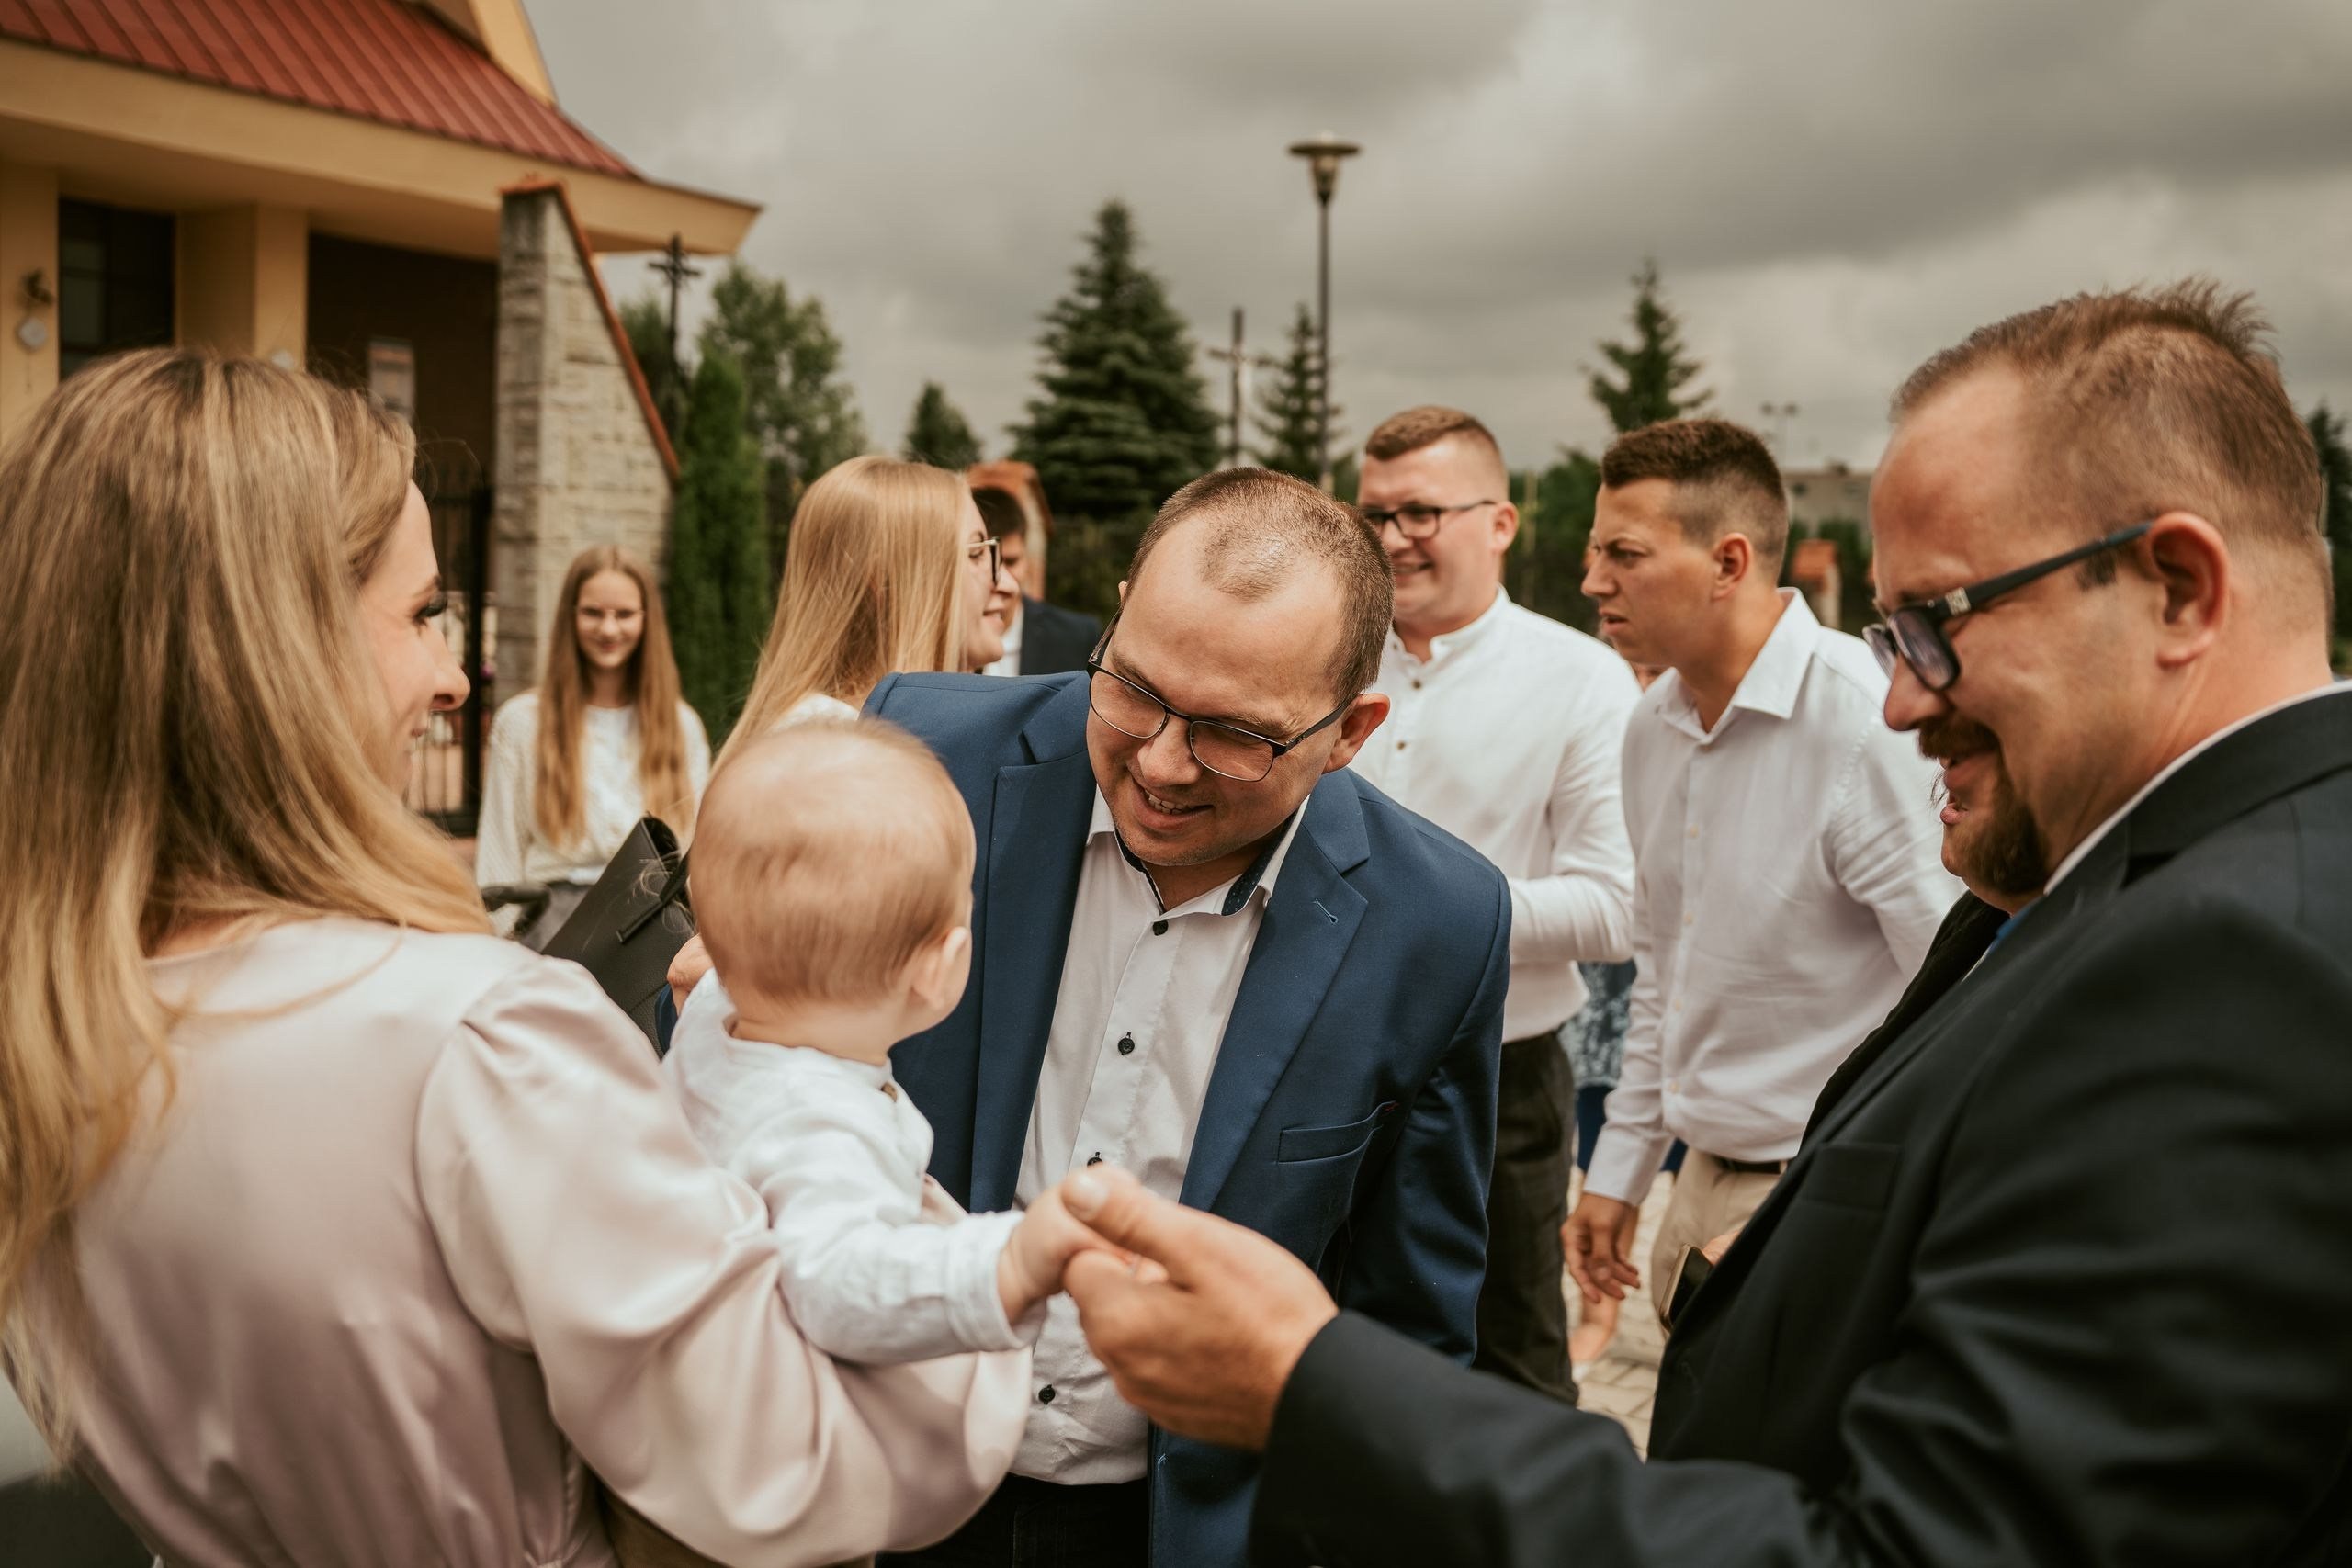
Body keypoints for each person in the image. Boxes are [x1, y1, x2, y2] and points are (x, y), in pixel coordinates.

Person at [1052, 280, 2352, 1567]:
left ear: (2178, 587)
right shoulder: (2157, 884)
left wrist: (1309, 1381)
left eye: (1934, 627)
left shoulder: (2241, 965)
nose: (1899, 702)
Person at [0, 349, 1030, 1567]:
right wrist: (906, 1190)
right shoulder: (476, 1040)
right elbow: (801, 1460)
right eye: (425, 612)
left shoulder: (54, 1025)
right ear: (274, 642)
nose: (451, 675)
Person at [854, 467, 1510, 1567]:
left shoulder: (1436, 922)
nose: (1159, 762)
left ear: (1350, 730)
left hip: (1181, 1531)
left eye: (1232, 735)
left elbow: (1409, 1333)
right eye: (1135, 692)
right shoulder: (924, 755)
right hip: (880, 1485)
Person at [1566, 418, 1957, 1330]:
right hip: (1693, 1186)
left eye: (1624, 553)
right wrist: (1622, 1173)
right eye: (1594, 551)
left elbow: (1956, 999)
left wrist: (1834, 1203)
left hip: (1829, 1197)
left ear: (1729, 561)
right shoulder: (1650, 724)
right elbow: (1660, 973)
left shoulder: (1867, 723)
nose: (1592, 582)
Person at [1348, 405, 1636, 1404]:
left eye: (1419, 511)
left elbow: (1614, 907)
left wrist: (1426, 915)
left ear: (1500, 523)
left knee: (1511, 1355)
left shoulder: (1583, 681)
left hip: (1498, 1079)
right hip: (1323, 1060)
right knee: (1330, 1345)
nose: (1391, 539)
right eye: (1374, 512)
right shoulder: (1328, 662)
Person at [665, 721, 1105, 1366]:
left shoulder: (716, 1011)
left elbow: (705, 976)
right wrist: (1009, 1260)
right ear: (941, 967)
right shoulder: (820, 1128)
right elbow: (845, 1282)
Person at [475, 545, 709, 945]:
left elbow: (697, 850)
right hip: (551, 925)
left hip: (649, 926)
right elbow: (499, 849)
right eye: (593, 612)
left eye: (624, 614)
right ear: (570, 616)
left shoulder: (680, 725)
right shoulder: (522, 723)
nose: (608, 629)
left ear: (646, 620)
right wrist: (499, 943)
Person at [730, 454, 1016, 740]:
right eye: (977, 553)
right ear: (885, 580)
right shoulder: (827, 745)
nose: (1009, 585)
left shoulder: (876, 736)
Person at [975, 483, 1103, 677]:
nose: (1001, 580)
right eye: (982, 559)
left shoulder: (1078, 638)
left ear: (1027, 557)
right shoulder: (928, 640)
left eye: (1011, 561)